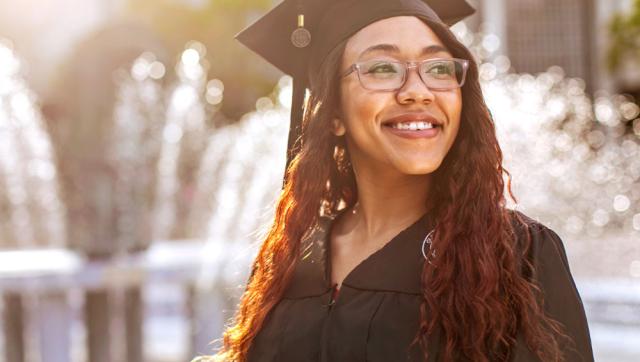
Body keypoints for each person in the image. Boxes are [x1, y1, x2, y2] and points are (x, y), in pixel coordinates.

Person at [196, 0, 595, 361]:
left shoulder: (514, 254)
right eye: (382, 68)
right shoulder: (294, 254)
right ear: (333, 113)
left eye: (438, 68)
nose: (417, 91)